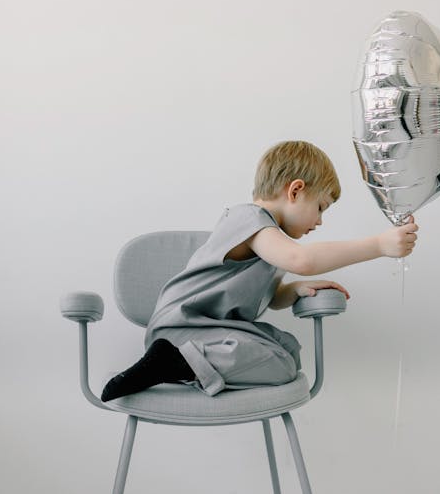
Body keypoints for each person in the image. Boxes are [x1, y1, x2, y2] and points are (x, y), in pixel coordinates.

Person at [100, 140, 418, 402]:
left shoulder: (271, 239)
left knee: (286, 355)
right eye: (320, 207)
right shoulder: (249, 219)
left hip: (211, 331)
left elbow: (264, 295)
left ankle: (186, 365)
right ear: (295, 191)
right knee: (280, 361)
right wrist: (378, 245)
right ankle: (173, 361)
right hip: (183, 328)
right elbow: (302, 260)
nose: (319, 222)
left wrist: (292, 291)